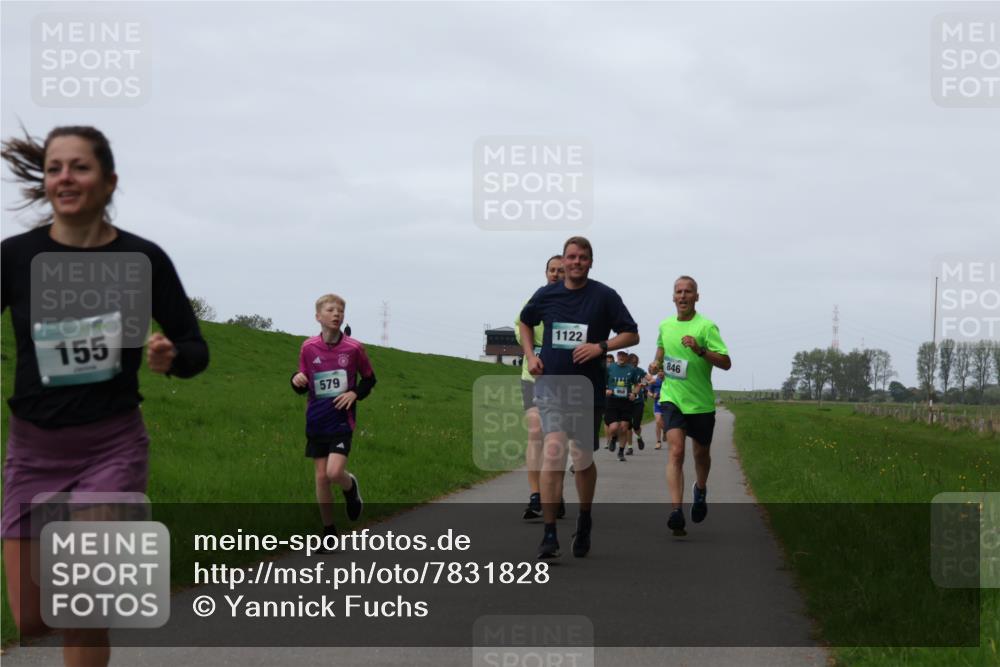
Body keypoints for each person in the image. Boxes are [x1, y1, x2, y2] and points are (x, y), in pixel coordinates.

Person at [1, 126, 209, 667]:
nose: (64, 177)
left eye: (79, 166)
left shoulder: (143, 259)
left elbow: (195, 346)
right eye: (54, 168)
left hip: (110, 447)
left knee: (81, 603)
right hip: (32, 450)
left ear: (109, 179)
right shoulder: (16, 256)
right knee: (31, 619)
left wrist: (172, 358)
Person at [519, 236, 638, 559]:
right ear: (564, 259)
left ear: (590, 262)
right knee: (554, 450)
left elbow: (632, 333)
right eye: (571, 257)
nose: (575, 262)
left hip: (587, 389)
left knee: (583, 458)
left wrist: (601, 347)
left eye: (582, 257)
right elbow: (525, 322)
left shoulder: (604, 297)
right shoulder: (546, 294)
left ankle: (584, 519)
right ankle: (549, 533)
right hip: (551, 387)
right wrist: (530, 355)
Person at [291, 294, 376, 544]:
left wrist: (354, 393)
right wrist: (295, 380)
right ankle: (329, 532)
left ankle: (350, 488)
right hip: (316, 419)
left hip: (341, 420)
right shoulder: (308, 347)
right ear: (318, 316)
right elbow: (303, 380)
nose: (336, 314)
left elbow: (370, 379)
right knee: (320, 477)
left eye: (340, 310)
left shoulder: (354, 348)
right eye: (330, 310)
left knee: (334, 471)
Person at [654, 276, 731, 537]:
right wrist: (656, 364)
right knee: (676, 452)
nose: (683, 296)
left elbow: (725, 362)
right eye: (679, 291)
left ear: (697, 297)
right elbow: (661, 350)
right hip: (671, 398)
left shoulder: (707, 327)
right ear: (673, 297)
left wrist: (699, 351)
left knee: (700, 454)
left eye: (688, 292)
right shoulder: (665, 325)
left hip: (700, 404)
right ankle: (676, 510)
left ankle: (700, 489)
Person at [515, 255, 566, 520]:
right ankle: (536, 494)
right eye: (552, 270)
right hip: (533, 376)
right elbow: (520, 326)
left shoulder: (571, 303)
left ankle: (554, 491)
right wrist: (533, 353)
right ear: (545, 273)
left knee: (555, 440)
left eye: (560, 270)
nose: (556, 275)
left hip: (562, 380)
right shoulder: (534, 300)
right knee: (536, 430)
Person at [604, 351, 634, 462]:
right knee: (614, 427)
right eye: (619, 355)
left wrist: (634, 393)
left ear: (626, 357)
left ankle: (621, 452)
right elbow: (601, 381)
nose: (621, 357)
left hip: (626, 402)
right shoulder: (610, 368)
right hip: (612, 401)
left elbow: (640, 382)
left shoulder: (631, 369)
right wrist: (606, 390)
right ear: (617, 357)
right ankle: (613, 438)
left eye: (623, 355)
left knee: (624, 428)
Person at [627, 352, 647, 454]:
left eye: (635, 362)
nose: (634, 364)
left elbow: (644, 383)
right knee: (628, 426)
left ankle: (639, 437)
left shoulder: (642, 372)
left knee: (636, 425)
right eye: (631, 363)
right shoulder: (624, 371)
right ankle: (629, 447)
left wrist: (640, 386)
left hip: (638, 401)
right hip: (626, 402)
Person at [646, 363, 666, 449]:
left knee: (664, 422)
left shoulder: (668, 381)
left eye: (662, 371)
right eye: (659, 371)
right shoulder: (654, 381)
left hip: (667, 405)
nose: (661, 373)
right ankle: (658, 442)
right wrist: (651, 395)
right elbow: (649, 391)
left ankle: (665, 432)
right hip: (657, 404)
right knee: (658, 422)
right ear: (657, 372)